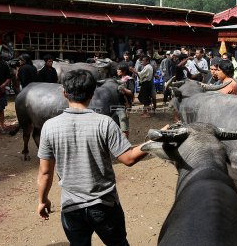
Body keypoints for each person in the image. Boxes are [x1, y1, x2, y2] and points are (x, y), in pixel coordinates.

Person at [37, 69, 152, 245]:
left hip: (71, 207)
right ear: (92, 93)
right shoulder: (105, 123)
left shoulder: (49, 127)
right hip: (104, 205)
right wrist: (155, 140)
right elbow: (128, 158)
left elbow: (45, 173)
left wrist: (42, 201)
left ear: (64, 93)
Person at [116, 62, 135, 138]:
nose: (117, 71)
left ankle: (125, 144)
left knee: (124, 127)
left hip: (125, 106)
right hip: (117, 105)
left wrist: (123, 88)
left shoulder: (129, 80)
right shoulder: (118, 79)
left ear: (123, 71)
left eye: (118, 70)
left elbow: (131, 92)